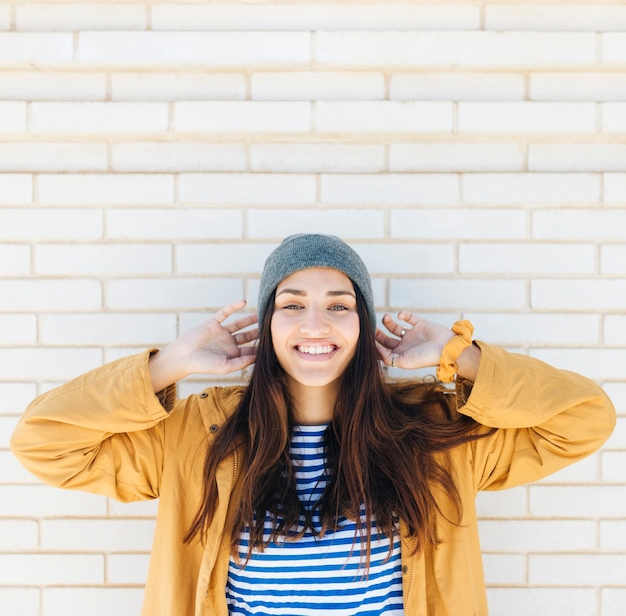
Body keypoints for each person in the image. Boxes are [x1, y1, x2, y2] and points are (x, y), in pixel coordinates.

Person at [11, 233, 615, 616]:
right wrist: (168, 364)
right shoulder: (197, 433)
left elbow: (584, 419)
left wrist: (463, 357)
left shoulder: (432, 431)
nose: (315, 324)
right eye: (292, 304)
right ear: (269, 324)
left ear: (363, 322)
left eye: (339, 306)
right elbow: (45, 441)